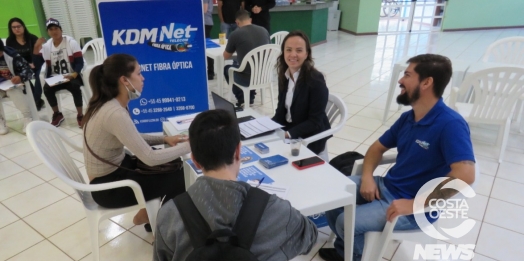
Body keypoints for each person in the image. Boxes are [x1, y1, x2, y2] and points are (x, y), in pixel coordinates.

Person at [319, 54, 476, 261]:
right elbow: (376, 148)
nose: (401, 81)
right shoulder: (408, 117)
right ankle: (344, 251)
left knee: (346, 221)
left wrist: (414, 204)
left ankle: (355, 256)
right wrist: (367, 177)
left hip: (415, 207)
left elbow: (465, 175)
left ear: (427, 82)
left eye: (408, 75)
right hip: (388, 185)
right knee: (333, 197)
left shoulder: (450, 124)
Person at [153, 109, 318, 260]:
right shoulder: (275, 210)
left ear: (195, 160)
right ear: (238, 151)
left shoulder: (169, 216)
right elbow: (310, 237)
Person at [82, 54, 190, 230]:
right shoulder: (114, 113)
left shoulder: (108, 104)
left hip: (113, 172)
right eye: (139, 74)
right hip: (108, 188)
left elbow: (131, 136)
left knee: (172, 162)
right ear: (124, 80)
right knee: (180, 177)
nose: (143, 78)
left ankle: (151, 218)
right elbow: (150, 158)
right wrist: (189, 146)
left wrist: (165, 139)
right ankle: (158, 225)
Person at [271, 31, 331, 155]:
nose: (293, 54)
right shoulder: (284, 75)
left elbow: (315, 122)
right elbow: (280, 112)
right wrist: (267, 127)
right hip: (290, 129)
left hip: (310, 136)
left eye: (298, 50)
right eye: (288, 50)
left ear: (306, 54)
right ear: (283, 53)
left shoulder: (315, 80)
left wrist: (287, 134)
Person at [34, 18, 84, 127]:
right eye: (51, 29)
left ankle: (80, 114)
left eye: (56, 28)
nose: (54, 31)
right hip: (55, 77)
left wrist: (74, 75)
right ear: (48, 32)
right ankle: (57, 114)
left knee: (75, 87)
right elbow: (37, 64)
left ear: (61, 30)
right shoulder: (47, 46)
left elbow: (80, 62)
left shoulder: (71, 42)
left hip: (71, 75)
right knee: (47, 89)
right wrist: (36, 48)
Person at [223, 10, 269, 107]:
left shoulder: (235, 34)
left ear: (237, 22)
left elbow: (226, 56)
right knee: (247, 66)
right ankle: (250, 96)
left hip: (246, 78)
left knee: (227, 68)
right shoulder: (264, 30)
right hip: (264, 75)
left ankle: (242, 98)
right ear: (250, 20)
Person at [6, 17, 45, 110]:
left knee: (40, 74)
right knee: (22, 75)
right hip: (22, 66)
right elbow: (12, 58)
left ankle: (36, 99)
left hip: (36, 64)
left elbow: (40, 53)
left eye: (18, 26)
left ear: (23, 26)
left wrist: (33, 63)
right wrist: (27, 64)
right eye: (13, 27)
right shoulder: (10, 41)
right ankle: (36, 100)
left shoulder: (32, 38)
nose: (16, 29)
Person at [0, 41, 34, 134]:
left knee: (14, 93)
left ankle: (27, 117)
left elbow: (28, 70)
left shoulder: (13, 56)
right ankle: (1, 121)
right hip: (1, 85)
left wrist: (20, 77)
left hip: (13, 84)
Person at [203, 0, 215, 80]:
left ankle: (210, 71)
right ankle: (210, 71)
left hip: (205, 23)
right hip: (205, 22)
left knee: (207, 48)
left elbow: (204, 10)